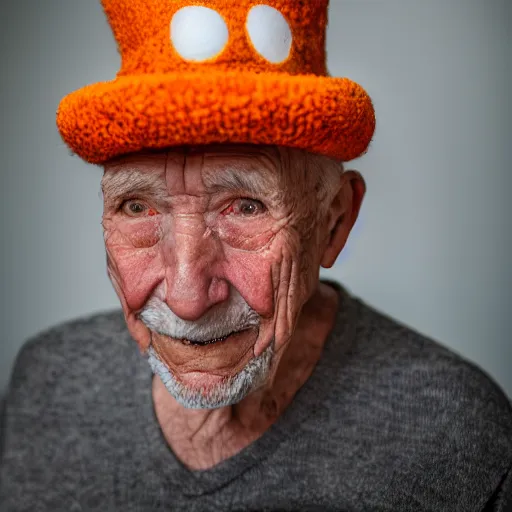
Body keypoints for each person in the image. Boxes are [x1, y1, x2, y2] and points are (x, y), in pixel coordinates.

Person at [1, 1, 511, 510]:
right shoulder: (47, 379)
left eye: (245, 207)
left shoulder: (456, 431)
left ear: (333, 222)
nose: (187, 299)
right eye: (137, 206)